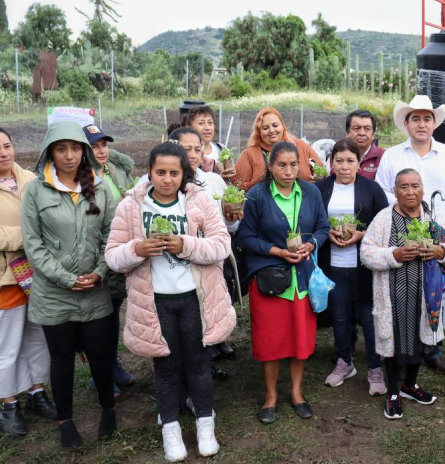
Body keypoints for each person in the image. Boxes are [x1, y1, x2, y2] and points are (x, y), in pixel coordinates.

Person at [106, 141, 235, 462]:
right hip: (155, 303)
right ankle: (171, 430)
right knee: (165, 368)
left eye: (174, 173)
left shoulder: (200, 201)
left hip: (195, 300)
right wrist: (136, 250)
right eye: (160, 172)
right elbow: (112, 256)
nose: (167, 179)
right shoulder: (131, 207)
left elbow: (221, 245)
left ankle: (206, 425)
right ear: (149, 172)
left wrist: (185, 244)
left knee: (199, 364)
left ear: (184, 173)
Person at [20, 121, 117, 449]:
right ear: (50, 152)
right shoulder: (35, 190)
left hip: (95, 291)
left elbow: (111, 236)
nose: (69, 155)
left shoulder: (100, 188)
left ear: (84, 151)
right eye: (61, 149)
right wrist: (66, 279)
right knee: (60, 360)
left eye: (75, 148)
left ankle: (108, 410)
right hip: (54, 295)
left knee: (101, 356)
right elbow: (33, 245)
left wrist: (100, 271)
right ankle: (66, 421)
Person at [375, 95, 445, 376]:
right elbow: (381, 195)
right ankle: (398, 350)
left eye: (426, 118)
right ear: (406, 123)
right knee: (401, 296)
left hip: (437, 238)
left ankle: (432, 350)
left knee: (433, 293)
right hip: (399, 236)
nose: (421, 124)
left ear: (434, 124)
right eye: (415, 118)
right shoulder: (392, 155)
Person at [236, 141, 330, 422]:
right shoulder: (257, 196)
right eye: (281, 165)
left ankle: (297, 392)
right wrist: (275, 250)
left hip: (301, 279)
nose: (288, 171)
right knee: (270, 341)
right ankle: (271, 395)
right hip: (269, 280)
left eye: (293, 165)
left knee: (299, 338)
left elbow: (323, 227)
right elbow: (245, 237)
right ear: (270, 167)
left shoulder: (311, 192)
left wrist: (311, 245)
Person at [360, 169, 445, 420]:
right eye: (403, 187)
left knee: (420, 339)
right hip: (392, 295)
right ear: (395, 191)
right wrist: (392, 255)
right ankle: (393, 392)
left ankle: (410, 385)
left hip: (424, 296)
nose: (410, 191)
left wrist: (440, 252)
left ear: (423, 189)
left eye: (415, 186)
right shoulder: (384, 219)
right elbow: (366, 252)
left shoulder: (433, 219)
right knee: (394, 341)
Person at [315, 138, 389, 394]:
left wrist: (362, 234)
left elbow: (384, 225)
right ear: (331, 162)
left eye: (350, 161)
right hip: (333, 264)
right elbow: (313, 223)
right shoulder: (320, 188)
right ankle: (345, 361)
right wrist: (327, 234)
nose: (344, 166)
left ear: (359, 163)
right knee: (340, 315)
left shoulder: (372, 189)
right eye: (339, 160)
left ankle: (374, 366)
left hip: (363, 265)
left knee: (368, 315)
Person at [165, 127, 240, 375]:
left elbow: (228, 227)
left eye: (198, 149)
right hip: (173, 269)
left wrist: (232, 215)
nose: (194, 154)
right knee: (180, 328)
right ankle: (184, 377)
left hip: (209, 263)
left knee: (205, 318)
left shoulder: (213, 181)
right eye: (187, 149)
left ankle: (204, 366)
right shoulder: (161, 184)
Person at [0, 128, 57, 436]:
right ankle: (9, 404)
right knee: (6, 347)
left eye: (7, 145)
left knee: (37, 340)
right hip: (6, 281)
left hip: (37, 276)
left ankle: (37, 393)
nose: (3, 153)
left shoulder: (31, 180)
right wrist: (29, 239)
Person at [83, 124, 136, 397]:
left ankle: (111, 364)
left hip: (117, 252)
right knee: (100, 318)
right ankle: (98, 373)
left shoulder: (115, 172)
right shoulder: (83, 179)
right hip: (95, 257)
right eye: (94, 146)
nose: (102, 150)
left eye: (104, 145)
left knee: (113, 314)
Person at [233, 108, 324, 192]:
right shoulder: (249, 154)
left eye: (275, 125)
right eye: (265, 128)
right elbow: (236, 186)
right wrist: (258, 182)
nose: (271, 130)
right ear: (259, 132)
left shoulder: (301, 146)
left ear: (283, 126)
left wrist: (318, 179)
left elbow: (322, 173)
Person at [181, 105, 235, 179]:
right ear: (189, 127)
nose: (207, 128)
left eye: (210, 123)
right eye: (201, 123)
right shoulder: (186, 153)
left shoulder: (222, 149)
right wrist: (219, 178)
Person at [345, 109, 385, 180]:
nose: (362, 133)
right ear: (347, 133)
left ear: (373, 135)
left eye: (367, 129)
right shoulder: (336, 156)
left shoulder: (384, 157)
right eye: (356, 128)